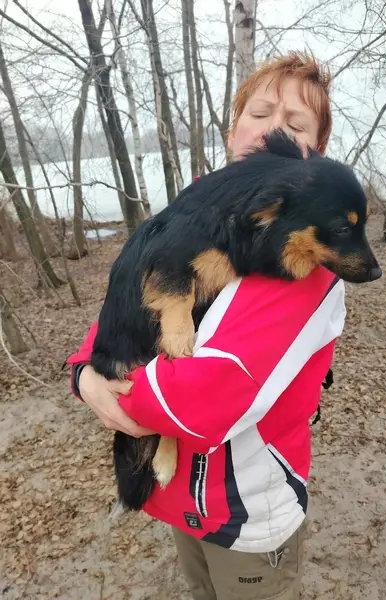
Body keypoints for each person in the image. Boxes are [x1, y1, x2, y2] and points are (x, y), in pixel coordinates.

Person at [67, 51, 346, 600]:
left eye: (295, 126)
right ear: (231, 132)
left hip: (246, 512)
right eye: (259, 114)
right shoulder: (196, 212)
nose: (271, 133)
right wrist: (83, 371)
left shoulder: (304, 258)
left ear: (315, 155)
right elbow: (124, 305)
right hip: (179, 499)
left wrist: (107, 383)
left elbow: (199, 402)